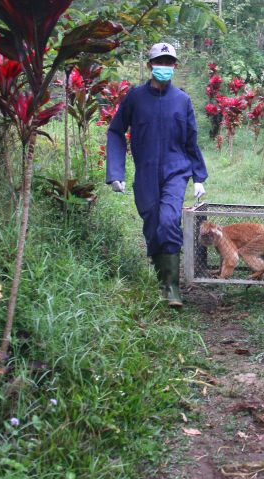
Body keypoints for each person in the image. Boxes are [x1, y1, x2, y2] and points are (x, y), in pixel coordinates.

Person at [106, 42, 208, 308]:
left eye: (169, 62)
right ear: (150, 65)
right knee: (152, 224)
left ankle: (172, 287)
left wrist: (198, 176)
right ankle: (161, 276)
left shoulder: (182, 101)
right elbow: (116, 131)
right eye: (159, 62)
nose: (164, 67)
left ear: (175, 66)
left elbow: (192, 141)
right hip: (146, 172)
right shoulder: (135, 98)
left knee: (168, 220)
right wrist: (116, 171)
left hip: (176, 170)